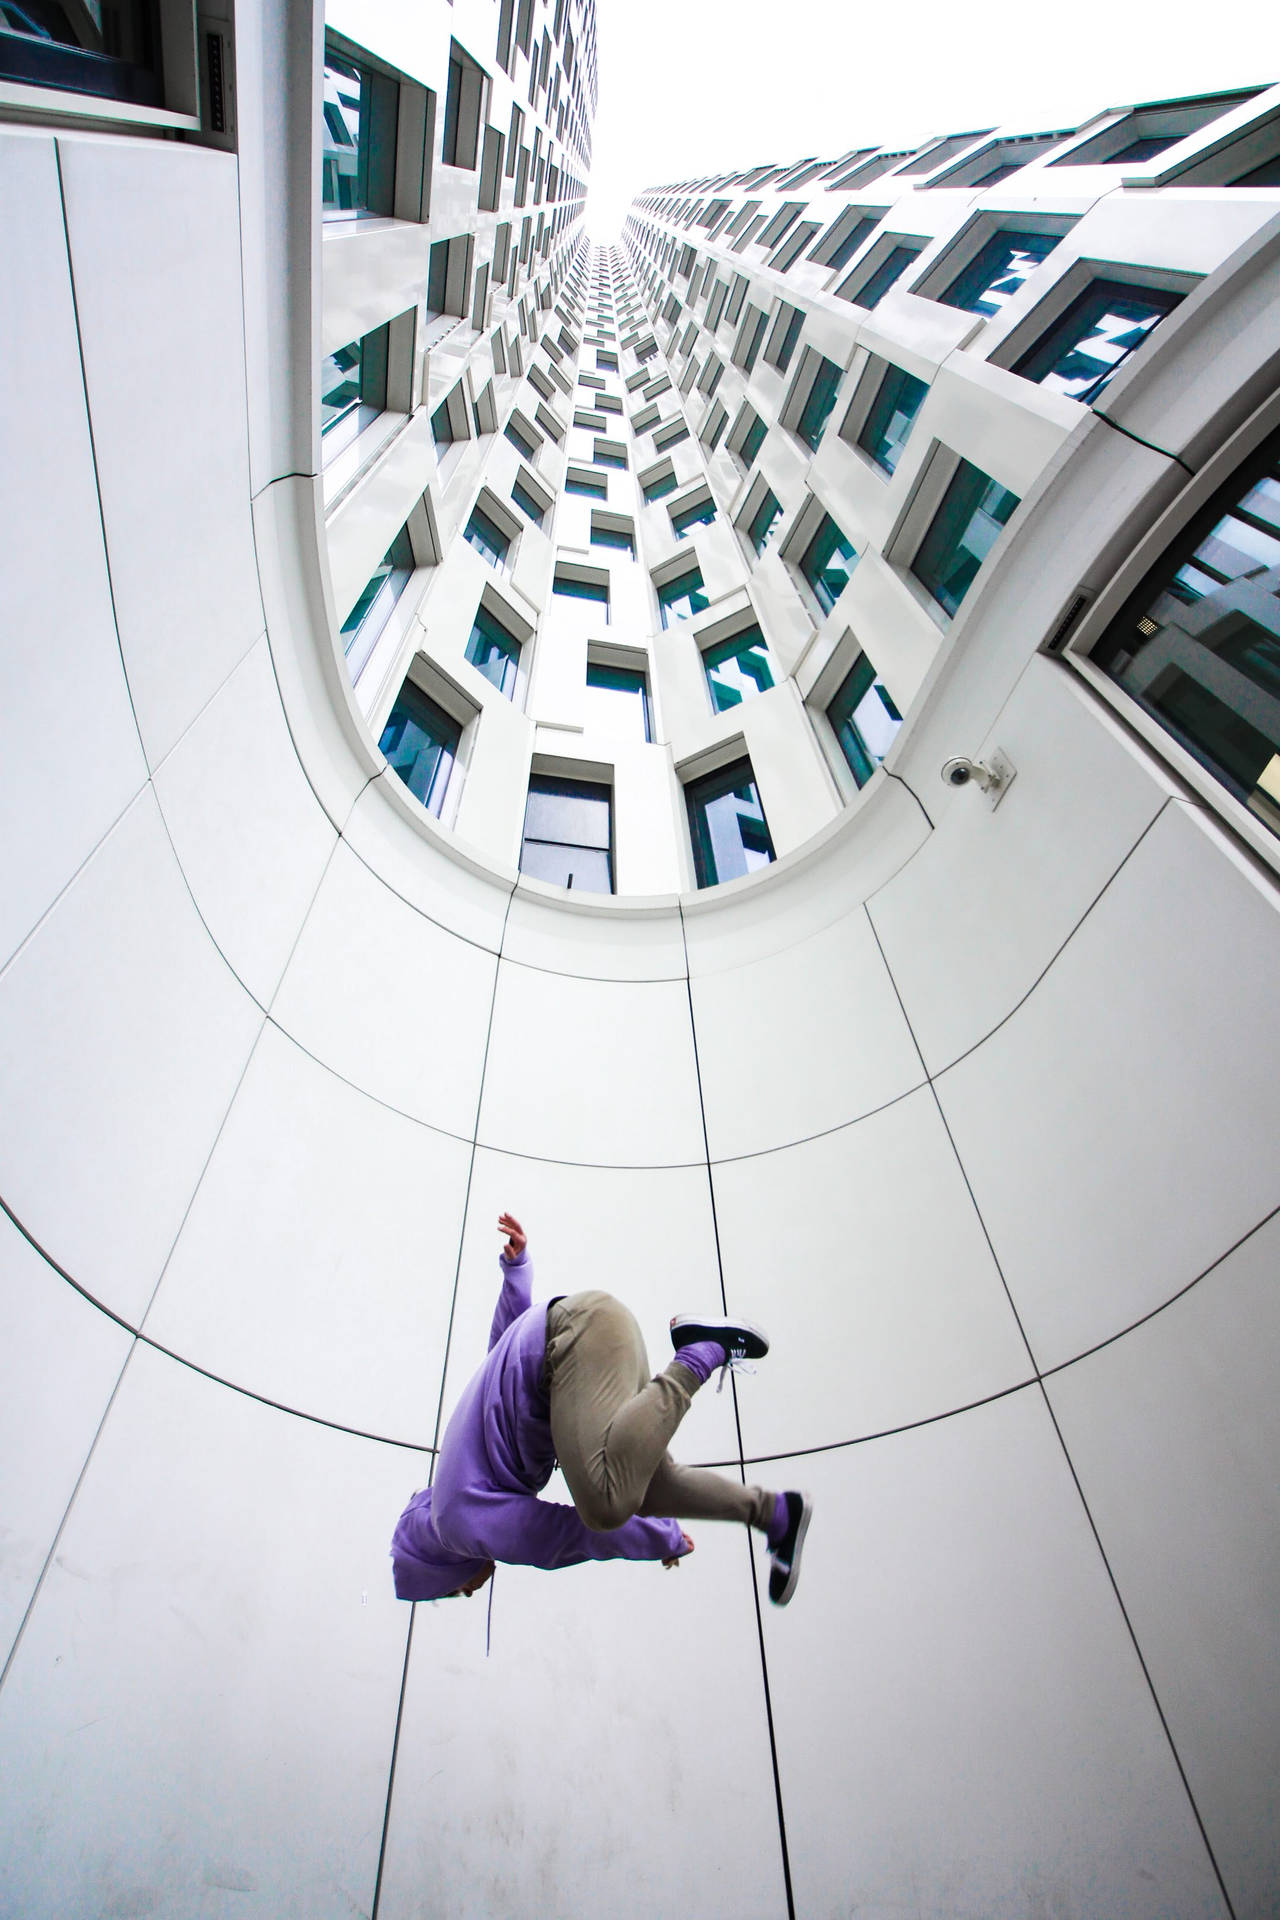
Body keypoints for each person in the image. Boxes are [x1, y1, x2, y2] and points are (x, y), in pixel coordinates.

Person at [391, 1213, 812, 1608]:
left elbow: (558, 1536)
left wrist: (657, 1539)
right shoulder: (463, 1481)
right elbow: (502, 1350)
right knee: (650, 1488)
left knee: (604, 1505)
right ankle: (776, 1514)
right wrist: (517, 1275)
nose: (465, 1593)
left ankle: (700, 1353)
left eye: (447, 1591)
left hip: (574, 1345)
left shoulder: (456, 1524)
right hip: (591, 1338)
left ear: (438, 1564)